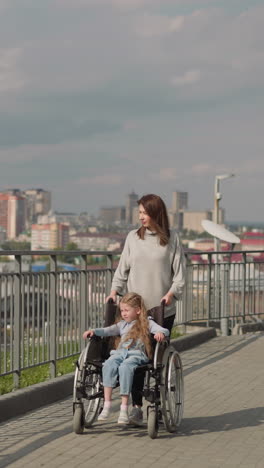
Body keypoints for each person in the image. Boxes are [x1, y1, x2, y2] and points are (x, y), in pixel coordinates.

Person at [106, 193, 186, 426]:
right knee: (136, 356)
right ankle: (137, 407)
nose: (140, 217)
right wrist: (114, 290)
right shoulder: (133, 238)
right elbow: (123, 269)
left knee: (156, 361)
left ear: (156, 213)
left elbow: (180, 275)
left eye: (144, 212)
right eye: (139, 212)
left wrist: (171, 294)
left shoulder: (171, 239)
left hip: (161, 310)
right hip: (135, 311)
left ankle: (159, 406)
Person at [83, 292, 169, 424]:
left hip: (136, 355)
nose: (123, 313)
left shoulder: (147, 323)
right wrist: (94, 331)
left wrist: (159, 333)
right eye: (122, 310)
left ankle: (123, 408)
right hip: (119, 354)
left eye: (127, 310)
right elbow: (107, 330)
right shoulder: (122, 325)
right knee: (108, 364)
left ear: (138, 310)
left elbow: (164, 330)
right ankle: (107, 405)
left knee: (125, 368)